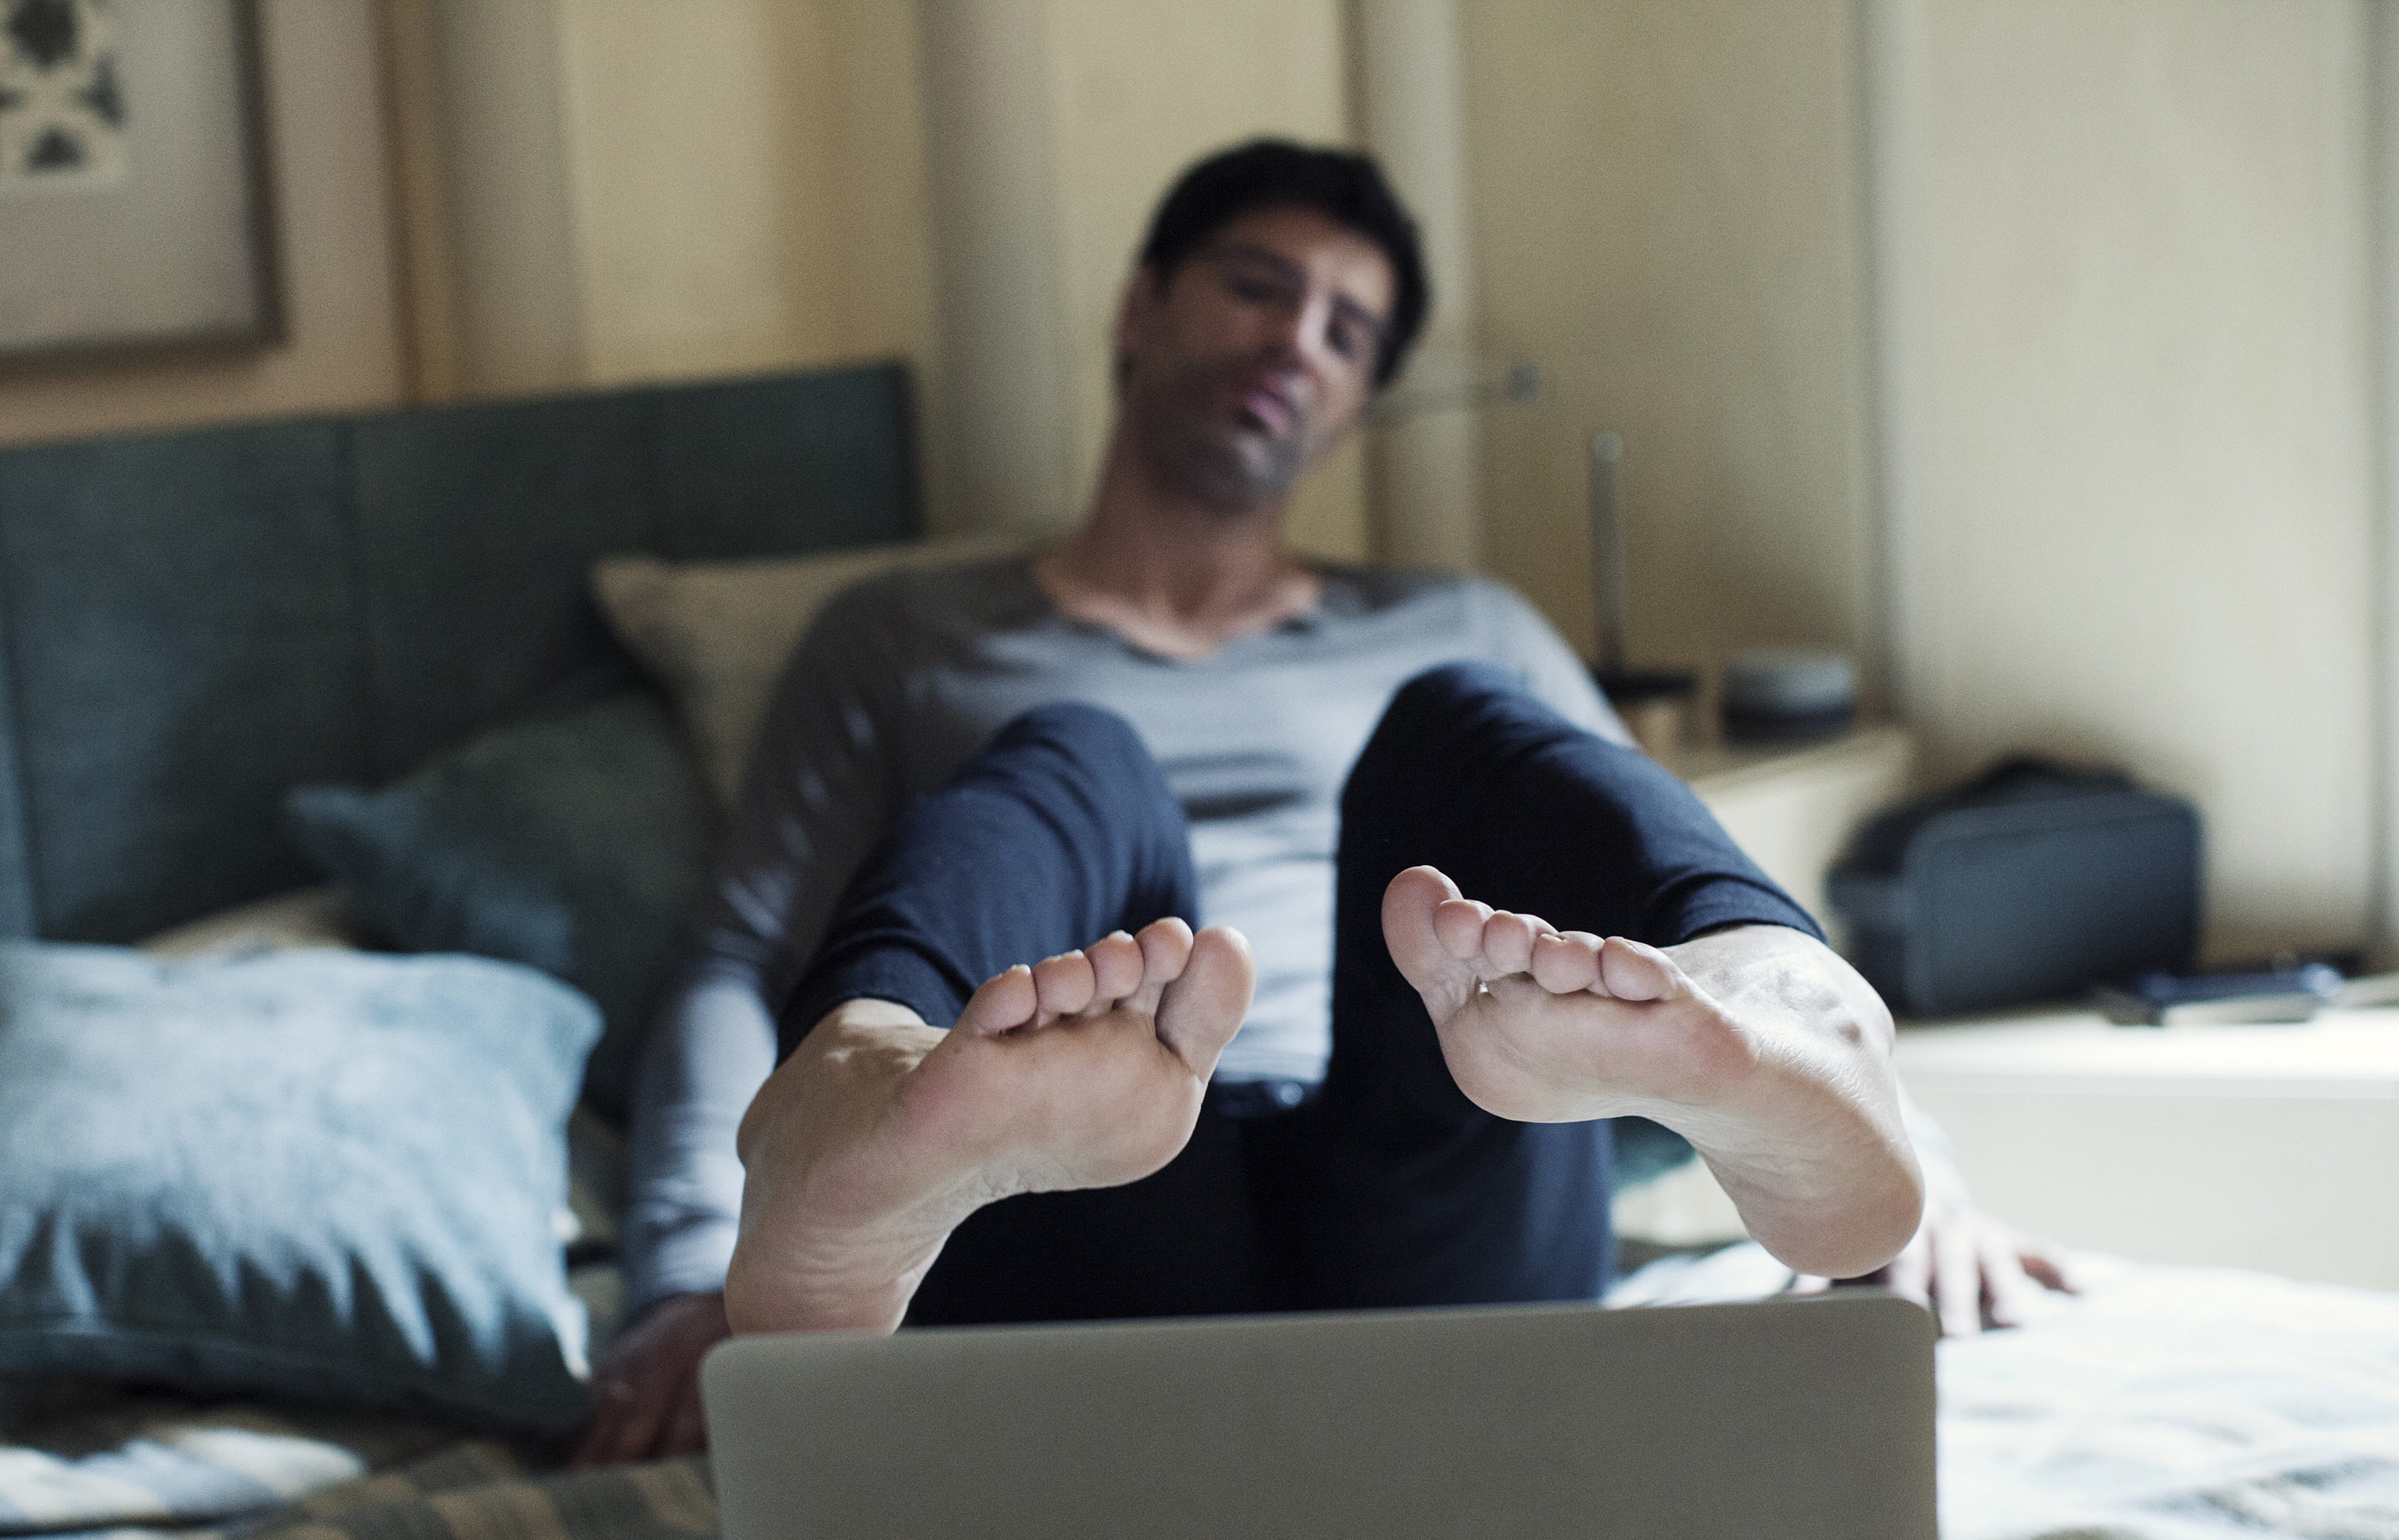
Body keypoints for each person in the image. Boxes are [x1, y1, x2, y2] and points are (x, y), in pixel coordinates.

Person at [573, 140, 2070, 1466]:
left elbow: (1625, 842)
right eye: (1256, 285)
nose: (1298, 338)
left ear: (1358, 400)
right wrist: (691, 1267)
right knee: (1076, 754)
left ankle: (1802, 1001)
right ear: (1139, 304)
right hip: (1073, 1194)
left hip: (1442, 1177)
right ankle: (862, 1088)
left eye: (1346, 330)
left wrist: (1913, 1174)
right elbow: (733, 952)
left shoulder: (1456, 617)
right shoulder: (903, 634)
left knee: (1458, 725)